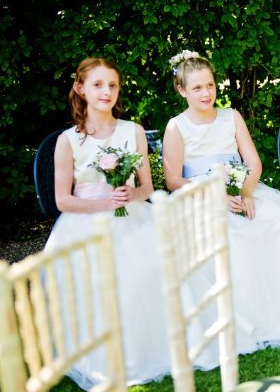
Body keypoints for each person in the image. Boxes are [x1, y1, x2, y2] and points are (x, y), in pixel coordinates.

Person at [163, 51, 280, 343]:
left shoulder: (231, 116)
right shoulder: (176, 126)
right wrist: (213, 196)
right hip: (199, 195)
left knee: (279, 222)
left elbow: (253, 163)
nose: (206, 93)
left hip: (242, 188)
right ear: (181, 90)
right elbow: (173, 179)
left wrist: (246, 191)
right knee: (227, 236)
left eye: (210, 86)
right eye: (197, 88)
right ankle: (242, 317)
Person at [46, 57, 171, 388]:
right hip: (84, 222)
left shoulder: (133, 131)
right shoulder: (68, 140)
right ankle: (102, 355)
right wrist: (104, 203)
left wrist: (131, 194)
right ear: (80, 89)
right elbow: (63, 200)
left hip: (132, 215)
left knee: (149, 268)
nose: (106, 91)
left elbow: (147, 187)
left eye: (112, 85)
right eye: (98, 84)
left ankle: (147, 347)